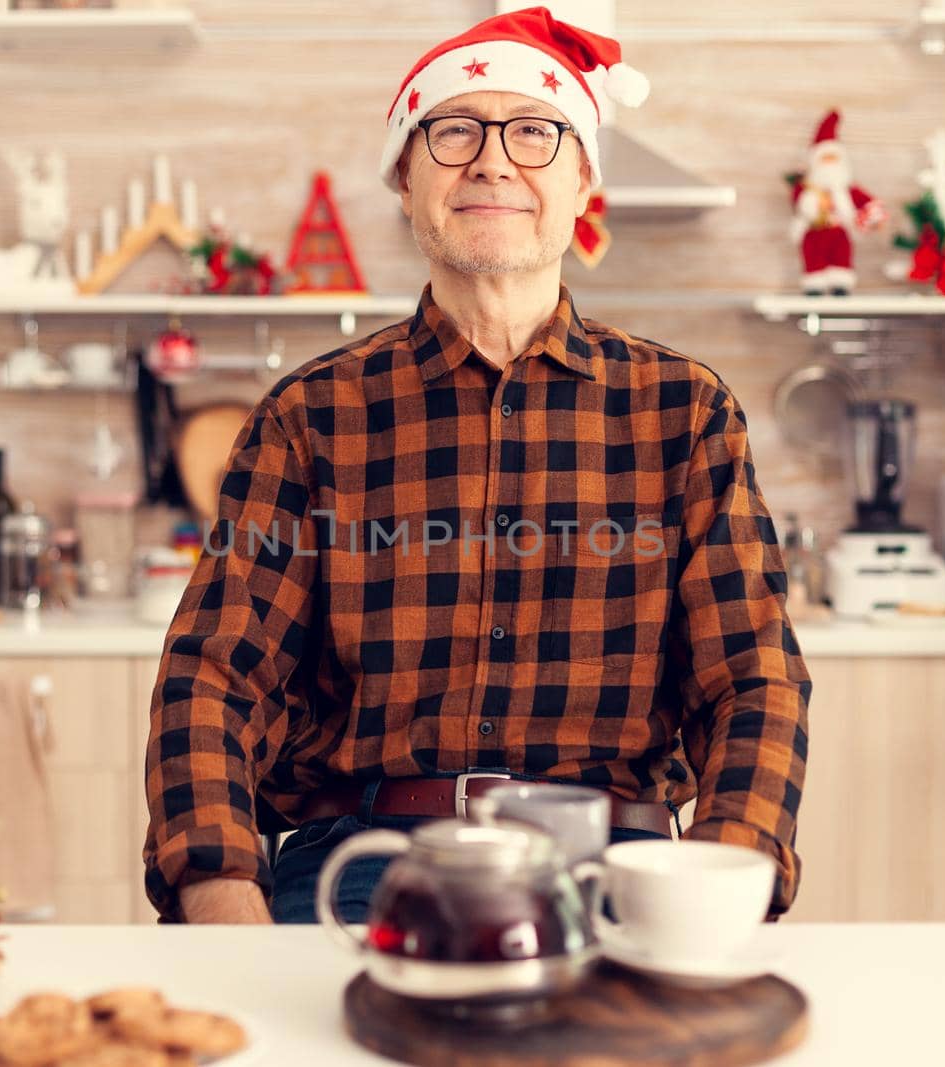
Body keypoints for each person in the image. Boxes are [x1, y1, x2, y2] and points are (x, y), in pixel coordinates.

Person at [142, 6, 810, 926]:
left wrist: (720, 886)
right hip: (363, 861)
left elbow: (752, 676)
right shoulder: (309, 417)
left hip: (611, 865)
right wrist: (220, 893)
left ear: (583, 184)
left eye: (535, 132)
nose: (493, 160)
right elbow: (213, 675)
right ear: (407, 181)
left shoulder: (684, 412)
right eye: (453, 130)